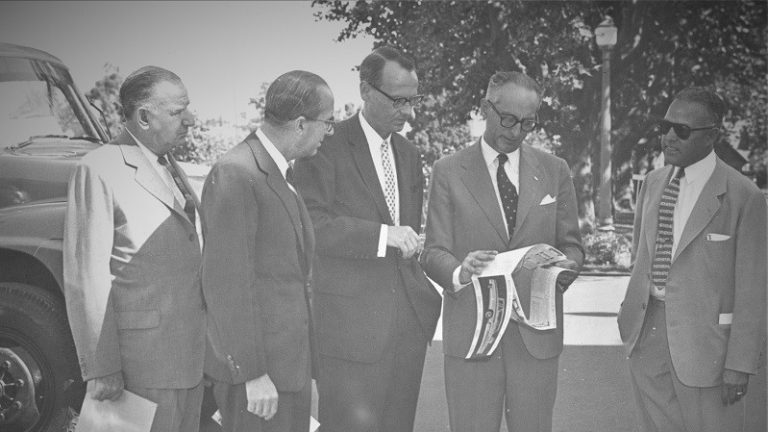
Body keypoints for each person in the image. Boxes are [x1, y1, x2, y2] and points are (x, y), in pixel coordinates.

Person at [420, 71, 583, 432]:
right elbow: (433, 252)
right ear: (484, 109)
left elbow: (572, 244)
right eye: (507, 119)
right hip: (473, 338)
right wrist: (461, 270)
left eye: (527, 123)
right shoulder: (448, 171)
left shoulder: (555, 170)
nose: (515, 132)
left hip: (535, 341)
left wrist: (565, 267)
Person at [293, 46, 442, 432]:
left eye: (414, 100)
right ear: (364, 90)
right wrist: (382, 236)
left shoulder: (409, 155)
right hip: (348, 336)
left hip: (407, 330)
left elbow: (407, 237)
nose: (409, 113)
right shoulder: (325, 145)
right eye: (399, 101)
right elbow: (311, 224)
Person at [63, 66, 205, 432]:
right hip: (141, 367)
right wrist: (102, 366)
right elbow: (86, 278)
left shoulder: (170, 164)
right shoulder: (99, 169)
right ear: (144, 116)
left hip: (189, 362)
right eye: (177, 111)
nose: (189, 120)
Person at [617, 87, 767, 432]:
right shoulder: (653, 183)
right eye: (665, 126)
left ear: (712, 136)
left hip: (708, 349)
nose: (669, 137)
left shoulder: (744, 196)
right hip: (647, 335)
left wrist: (739, 364)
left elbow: (754, 291)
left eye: (681, 131)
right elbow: (642, 255)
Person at [201, 70, 333, 432]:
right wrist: (252, 373)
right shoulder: (237, 173)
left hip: (286, 372)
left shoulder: (277, 173)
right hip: (260, 382)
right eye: (327, 123)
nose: (328, 132)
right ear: (302, 124)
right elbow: (227, 285)